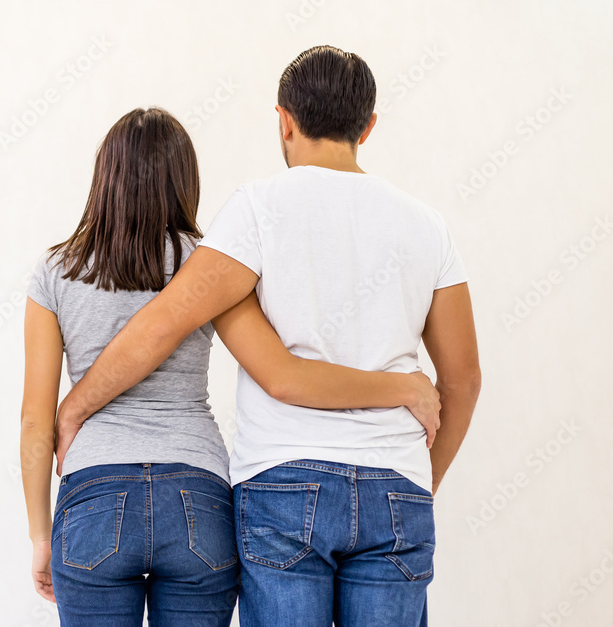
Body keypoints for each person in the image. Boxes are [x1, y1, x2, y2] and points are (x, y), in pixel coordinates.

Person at [53, 47, 481, 626]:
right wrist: (419, 481)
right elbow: (462, 380)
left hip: (284, 484)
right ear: (369, 126)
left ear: (284, 119)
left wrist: (75, 406)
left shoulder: (256, 210)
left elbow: (163, 321)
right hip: (394, 484)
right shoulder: (427, 225)